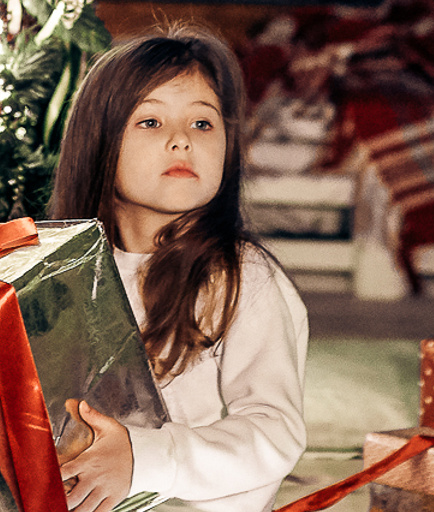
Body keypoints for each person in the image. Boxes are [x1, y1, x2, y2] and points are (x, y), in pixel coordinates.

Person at [48, 27, 308, 512]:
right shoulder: (62, 278)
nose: (181, 141)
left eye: (202, 124)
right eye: (150, 122)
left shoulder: (241, 278)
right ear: (100, 144)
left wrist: (143, 458)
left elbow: (274, 431)